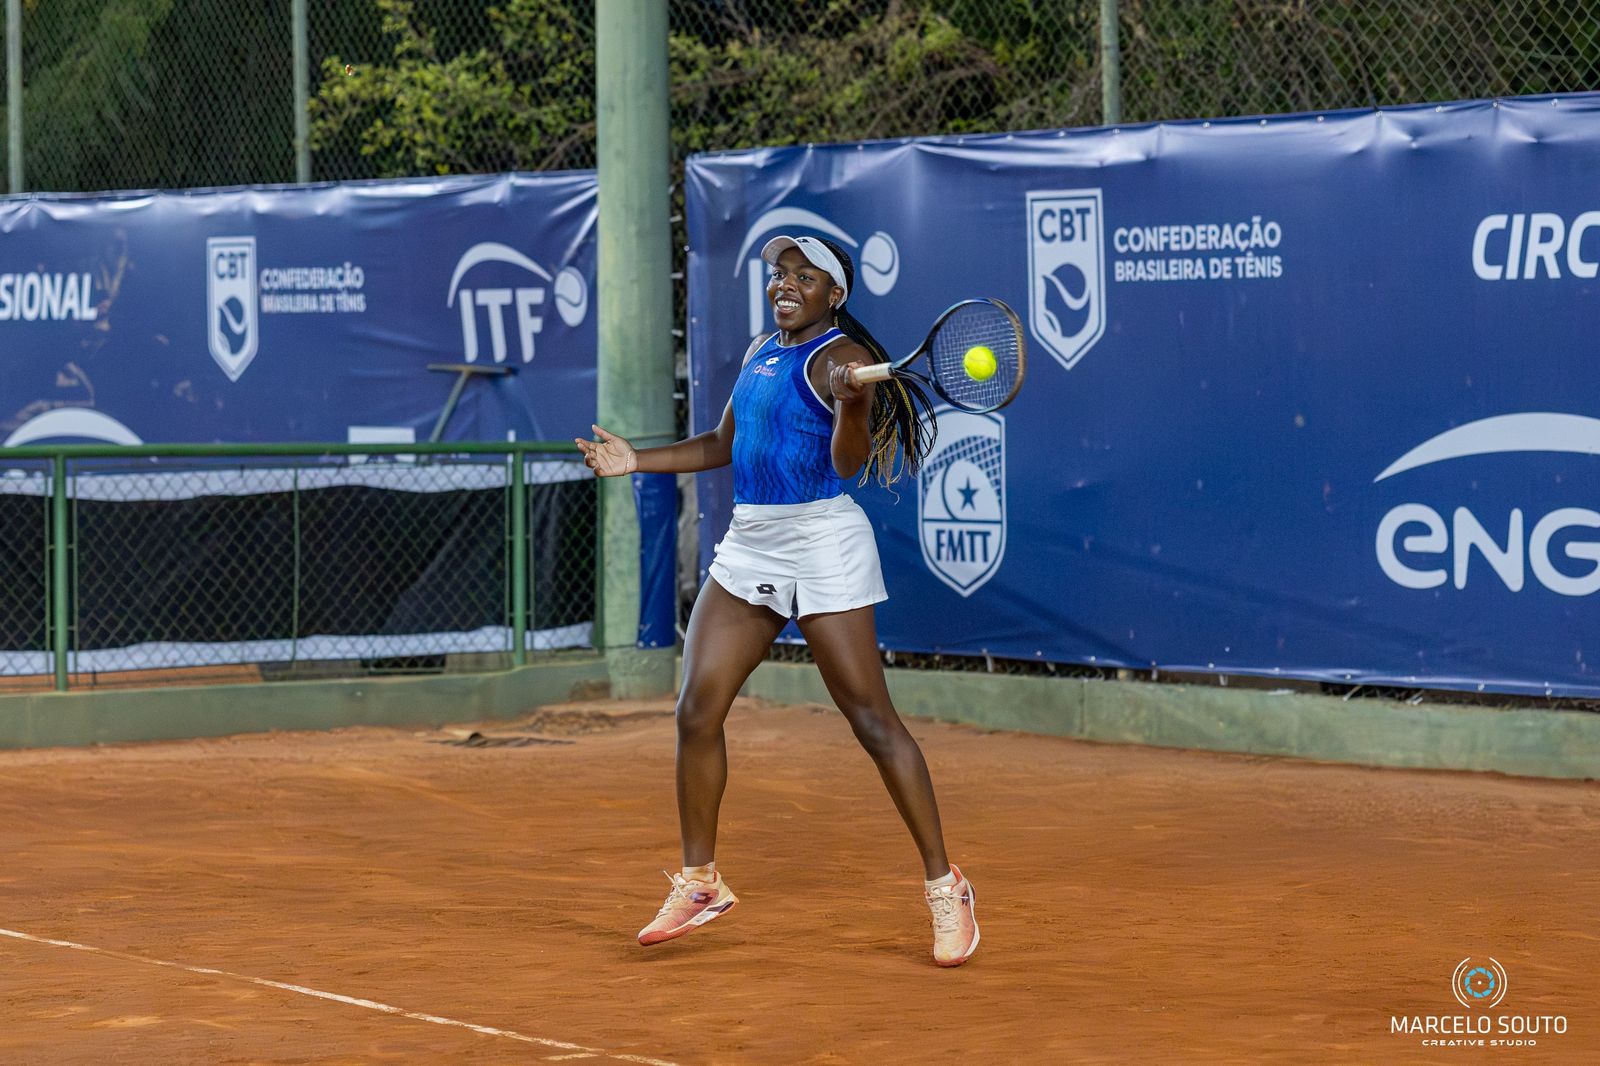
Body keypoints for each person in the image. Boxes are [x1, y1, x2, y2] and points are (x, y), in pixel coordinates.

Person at [575, 235, 980, 967]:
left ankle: (945, 886)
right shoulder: (762, 351)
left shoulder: (840, 358)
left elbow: (847, 465)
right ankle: (701, 882)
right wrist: (636, 460)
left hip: (822, 541)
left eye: (805, 276)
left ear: (835, 295)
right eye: (780, 274)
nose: (785, 284)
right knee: (696, 709)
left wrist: (853, 405)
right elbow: (721, 443)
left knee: (872, 721)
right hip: (753, 542)